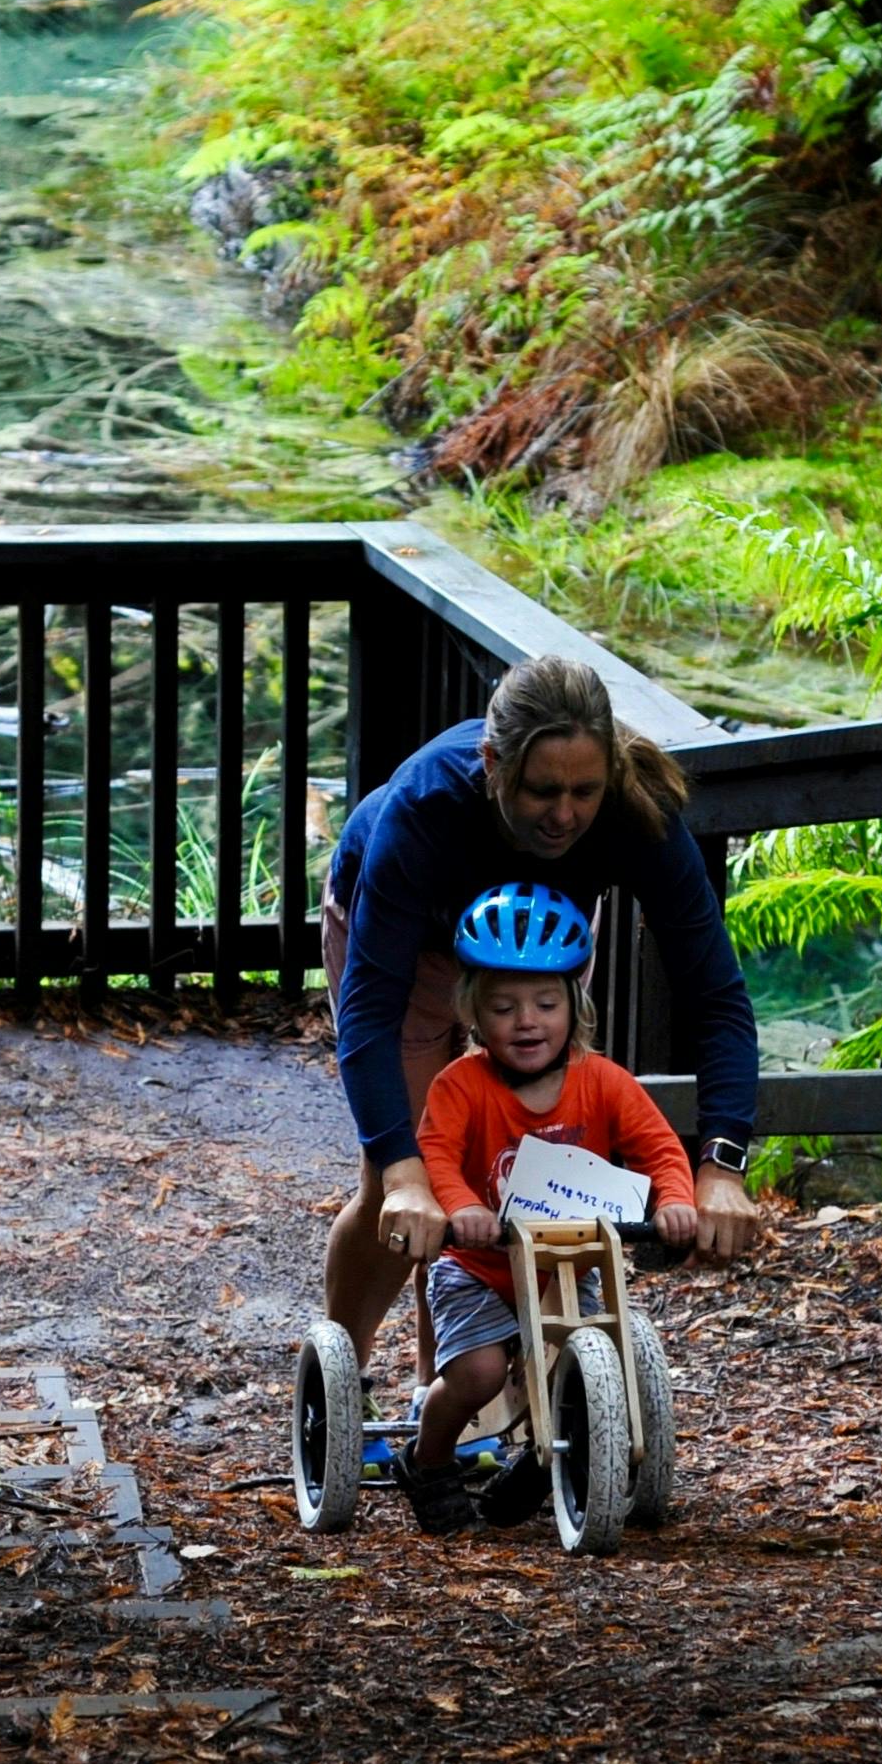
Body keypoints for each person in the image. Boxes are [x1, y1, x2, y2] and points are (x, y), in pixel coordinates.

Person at [322, 654, 763, 1386]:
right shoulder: (426, 808)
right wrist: (403, 1171)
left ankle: (465, 1401)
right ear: (494, 764)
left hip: (539, 947)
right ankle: (341, 1383)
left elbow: (714, 992)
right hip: (412, 948)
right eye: (542, 791)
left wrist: (720, 1163)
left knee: (516, 1173)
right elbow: (369, 1011)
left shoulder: (634, 811)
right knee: (417, 1178)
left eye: (584, 791)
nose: (565, 814)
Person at [405, 882, 694, 1536]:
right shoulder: (461, 1085)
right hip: (482, 1264)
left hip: (564, 1258)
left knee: (587, 1353)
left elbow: (660, 1148)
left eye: (544, 1002)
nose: (526, 1020)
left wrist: (674, 1199)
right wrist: (461, 1207)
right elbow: (438, 1159)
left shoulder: (604, 1081)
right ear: (474, 1011)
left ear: (574, 1005)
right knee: (478, 1372)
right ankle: (427, 1459)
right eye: (504, 1006)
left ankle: (549, 1458)